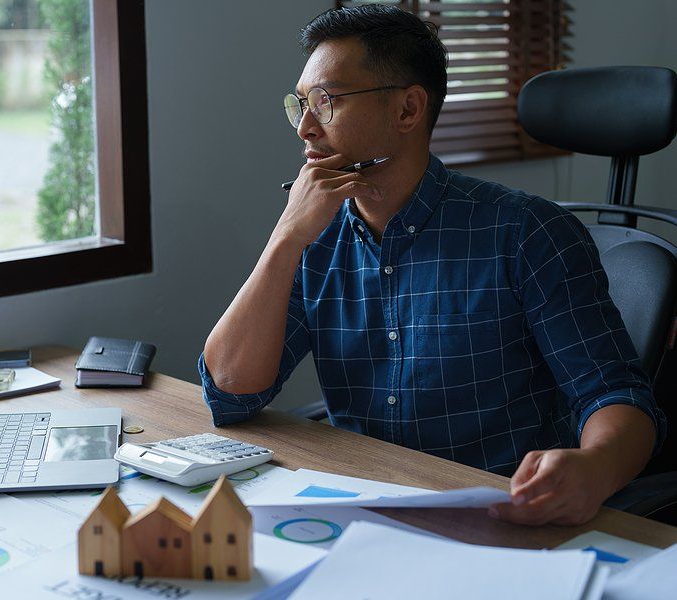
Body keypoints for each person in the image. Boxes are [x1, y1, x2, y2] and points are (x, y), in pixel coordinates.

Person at [198, 4, 666, 526]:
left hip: (497, 514)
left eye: (326, 102)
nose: (305, 128)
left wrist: (595, 466)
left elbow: (616, 395)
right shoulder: (314, 235)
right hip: (361, 509)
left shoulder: (526, 231)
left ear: (408, 110)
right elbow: (231, 394)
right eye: (301, 104)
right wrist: (285, 239)